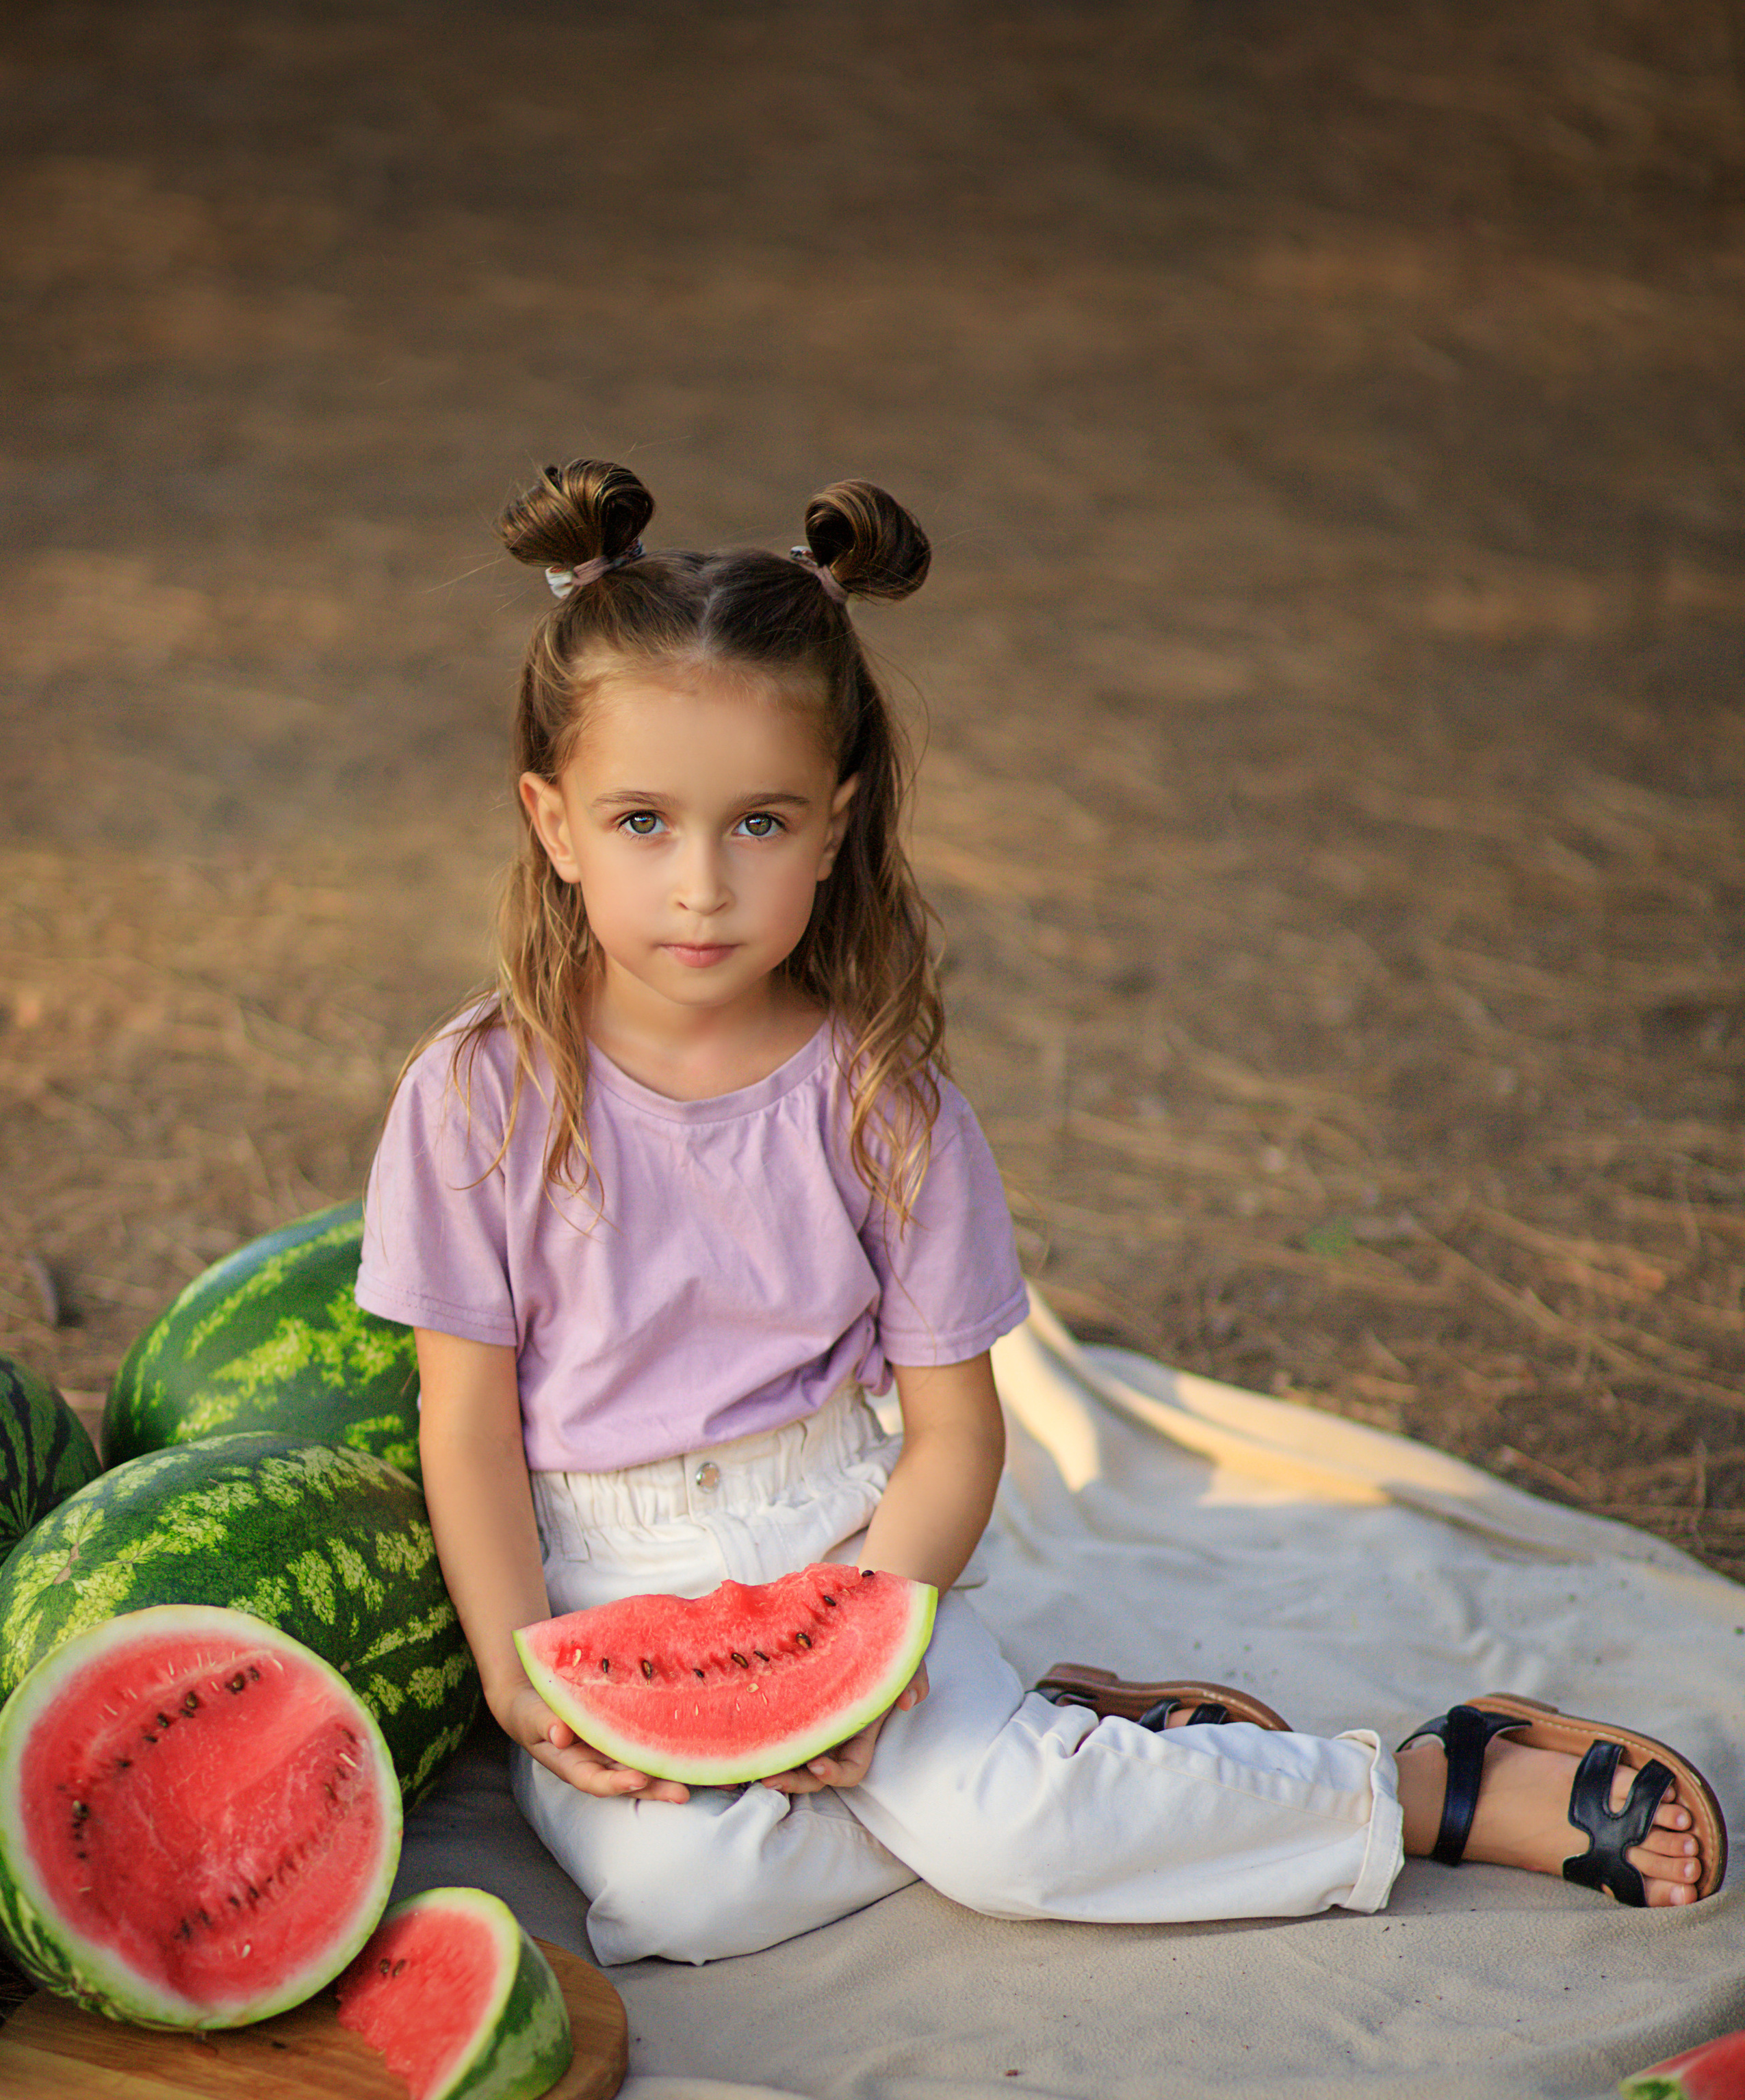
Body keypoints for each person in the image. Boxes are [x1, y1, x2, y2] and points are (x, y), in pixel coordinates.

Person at [356, 458, 1728, 1967]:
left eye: (756, 824)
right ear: (550, 822)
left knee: (1002, 1839)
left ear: (835, 824)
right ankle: (1080, 1751)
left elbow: (955, 1435)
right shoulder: (475, 1098)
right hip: (597, 1566)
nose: (698, 888)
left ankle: (1406, 1787)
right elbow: (467, 1424)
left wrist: (869, 1635)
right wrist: (510, 1669)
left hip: (850, 1532)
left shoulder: (881, 1102)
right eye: (639, 824)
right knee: (690, 1900)